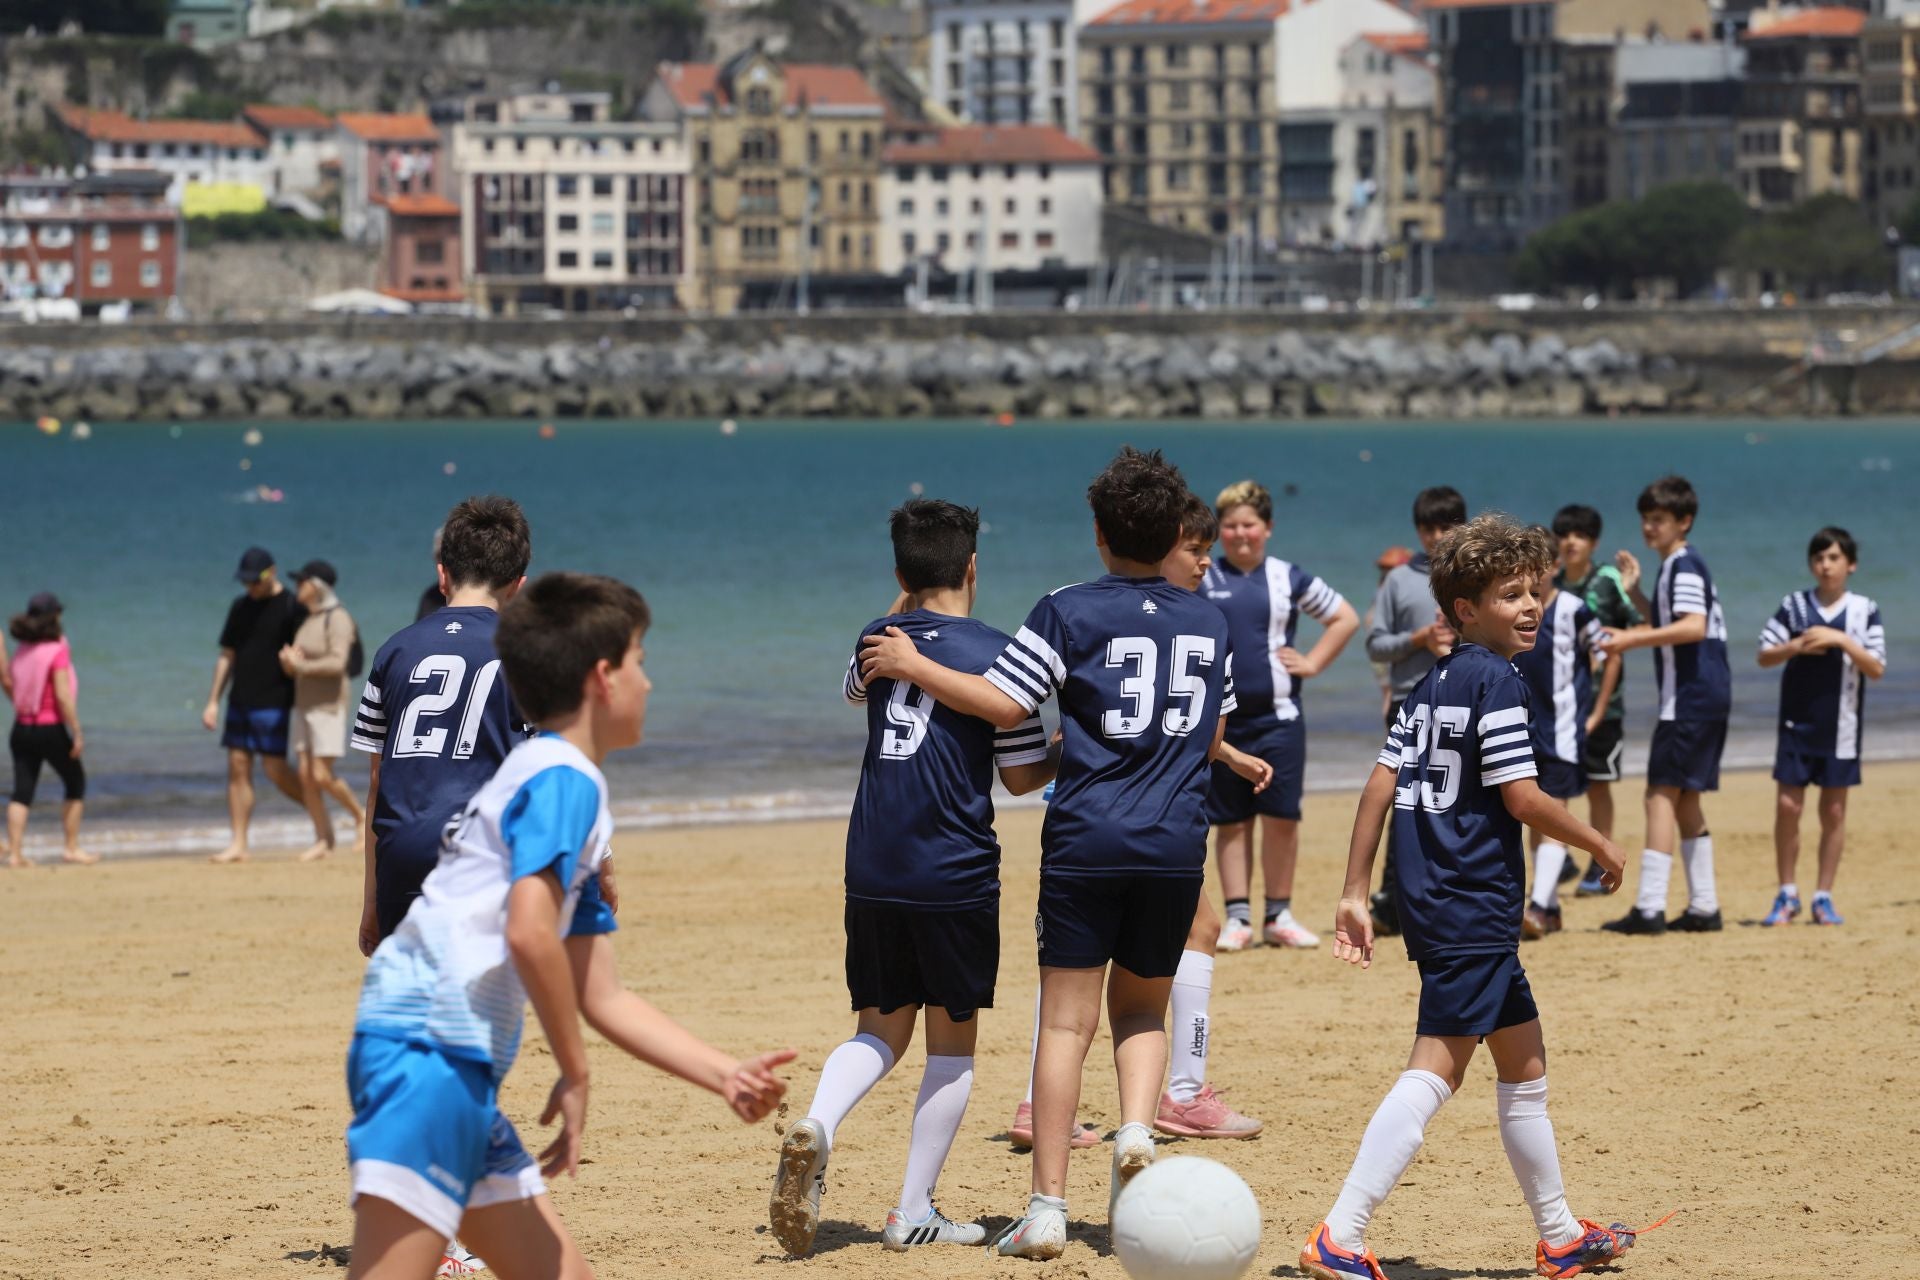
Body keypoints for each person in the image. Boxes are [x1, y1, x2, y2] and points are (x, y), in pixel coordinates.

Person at [861, 447, 1269, 1261]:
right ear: (1175, 536)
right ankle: (1132, 1144)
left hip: (1086, 841)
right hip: (1172, 844)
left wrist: (914, 663)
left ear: (1098, 533)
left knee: (1066, 1025)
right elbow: (1213, 728)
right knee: (1145, 1009)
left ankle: (1047, 1206)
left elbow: (1004, 701)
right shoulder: (1211, 619)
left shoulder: (1066, 609)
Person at [343, 571, 795, 1280]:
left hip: (443, 1059)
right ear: (603, 678)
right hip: (424, 1054)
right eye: (641, 662)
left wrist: (724, 1074)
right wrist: (575, 1071)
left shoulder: (555, 779)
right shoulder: (564, 780)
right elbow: (528, 932)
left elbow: (602, 993)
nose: (649, 683)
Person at [1297, 515, 1641, 1280]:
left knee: (1524, 1063)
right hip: (1471, 899)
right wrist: (1599, 842)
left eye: (1536, 590)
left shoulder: (1430, 683)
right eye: (1509, 594)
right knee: (1437, 1069)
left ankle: (1558, 1238)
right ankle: (1340, 1235)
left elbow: (1381, 782)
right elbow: (1521, 798)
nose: (1531, 606)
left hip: (1436, 896)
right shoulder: (1499, 681)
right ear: (1461, 610)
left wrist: (1357, 889)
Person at [770, 500, 1058, 1258]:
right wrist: (1075, 750)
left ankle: (820, 1123)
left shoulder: (876, 640)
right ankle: (911, 1208)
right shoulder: (1001, 652)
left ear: (899, 574)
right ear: (973, 567)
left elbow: (852, 692)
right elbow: (1024, 777)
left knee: (877, 1026)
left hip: (870, 861)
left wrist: (900, 609)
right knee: (952, 1042)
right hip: (951, 867)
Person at [1006, 493, 1267, 1148]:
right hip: (1142, 818)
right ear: (1162, 545)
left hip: (1099, 816)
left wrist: (1228, 753)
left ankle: (1084, 1100)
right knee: (1125, 964)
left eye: (1209, 554)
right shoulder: (1190, 622)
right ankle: (1179, 1093)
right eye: (1194, 550)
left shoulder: (1099, 611)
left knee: (1081, 966)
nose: (1204, 565)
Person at [353, 496, 533, 954]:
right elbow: (547, 772)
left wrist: (372, 898)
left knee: (414, 1004)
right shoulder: (523, 656)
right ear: (518, 585)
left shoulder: (393, 652)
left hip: (402, 855)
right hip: (481, 855)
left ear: (442, 575)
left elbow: (378, 783)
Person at [1204, 479, 1359, 951]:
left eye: (1248, 524)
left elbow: (1344, 617)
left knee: (1281, 817)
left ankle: (1278, 913)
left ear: (1267, 527)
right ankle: (1238, 918)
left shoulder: (1288, 577)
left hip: (1281, 719)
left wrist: (1312, 663)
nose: (1239, 534)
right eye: (1229, 526)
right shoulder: (1203, 575)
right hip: (1222, 723)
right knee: (1230, 820)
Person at [1596, 475, 1731, 936]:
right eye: (1645, 520)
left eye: (1658, 520)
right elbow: (1669, 621)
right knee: (1686, 798)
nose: (1649, 528)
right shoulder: (1676, 566)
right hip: (1703, 696)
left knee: (1659, 793)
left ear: (1684, 521)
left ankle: (1651, 907)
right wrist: (1634, 593)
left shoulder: (1684, 565)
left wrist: (1631, 637)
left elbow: (1692, 627)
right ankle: (1704, 906)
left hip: (1690, 698)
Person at [1756, 527, 1886, 927]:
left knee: (1832, 811)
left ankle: (1823, 897)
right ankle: (1786, 893)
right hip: (1796, 723)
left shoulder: (1865, 610)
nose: (1826, 566)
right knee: (1787, 807)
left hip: (1841, 727)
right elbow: (1764, 654)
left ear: (1851, 564)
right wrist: (1795, 646)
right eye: (1819, 558)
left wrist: (1840, 640)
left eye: (1833, 558)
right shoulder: (1794, 606)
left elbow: (1876, 668)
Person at [1363, 487, 1466, 934]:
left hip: (1464, 700)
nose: (1437, 537)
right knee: (1403, 801)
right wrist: (1419, 640)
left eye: (1446, 528)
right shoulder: (1399, 580)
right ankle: (1392, 900)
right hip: (1409, 702)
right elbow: (1375, 645)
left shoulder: (1473, 576)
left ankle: (1452, 894)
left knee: (1459, 801)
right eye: (1428, 529)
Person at [1510, 532, 1608, 939]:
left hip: (1563, 732)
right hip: (1520, 728)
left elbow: (1606, 653)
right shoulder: (1514, 612)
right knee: (1537, 820)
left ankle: (1537, 906)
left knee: (1555, 817)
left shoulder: (1573, 610)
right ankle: (1547, 907)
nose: (1536, 575)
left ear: (1553, 567)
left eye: (1541, 567)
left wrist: (1597, 712)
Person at [1550, 505, 1642, 897]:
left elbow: (1638, 625)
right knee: (1555, 789)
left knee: (1599, 785)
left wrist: (1600, 710)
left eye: (1580, 535)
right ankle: (1561, 859)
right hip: (1559, 707)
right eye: (1565, 534)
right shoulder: (1550, 581)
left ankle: (1597, 864)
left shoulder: (1606, 581)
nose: (1571, 541)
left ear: (1594, 542)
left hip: (1605, 705)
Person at [204, 547, 307, 864]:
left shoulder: (292, 605)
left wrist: (296, 667)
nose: (250, 587)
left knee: (274, 769)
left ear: (272, 572)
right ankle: (238, 843)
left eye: (255, 581)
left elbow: (304, 652)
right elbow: (227, 656)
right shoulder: (240, 607)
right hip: (240, 698)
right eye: (246, 582)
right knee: (237, 767)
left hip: (274, 698)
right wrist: (212, 701)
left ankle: (320, 815)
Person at [279, 560, 366, 863]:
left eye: (301, 581)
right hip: (304, 703)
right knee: (306, 775)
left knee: (321, 773)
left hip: (328, 705)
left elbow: (338, 664)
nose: (297, 587)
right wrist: (290, 664)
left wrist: (299, 665)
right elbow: (303, 666)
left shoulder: (338, 619)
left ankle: (360, 817)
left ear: (316, 586)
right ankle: (324, 839)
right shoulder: (309, 619)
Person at [6, 593, 96, 867]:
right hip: (49, 728)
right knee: (75, 781)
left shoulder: (22, 647)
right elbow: (62, 694)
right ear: (53, 617)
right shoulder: (58, 648)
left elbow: (10, 682)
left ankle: (14, 853)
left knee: (22, 791)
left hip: (21, 728)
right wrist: (76, 729)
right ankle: (71, 847)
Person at [1367, 547, 1413, 726]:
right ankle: (1391, 733)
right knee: (1389, 693)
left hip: (1383, 646)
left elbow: (1369, 619)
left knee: (1387, 693)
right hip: (1386, 649)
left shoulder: (1382, 586)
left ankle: (1391, 734)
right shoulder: (1389, 587)